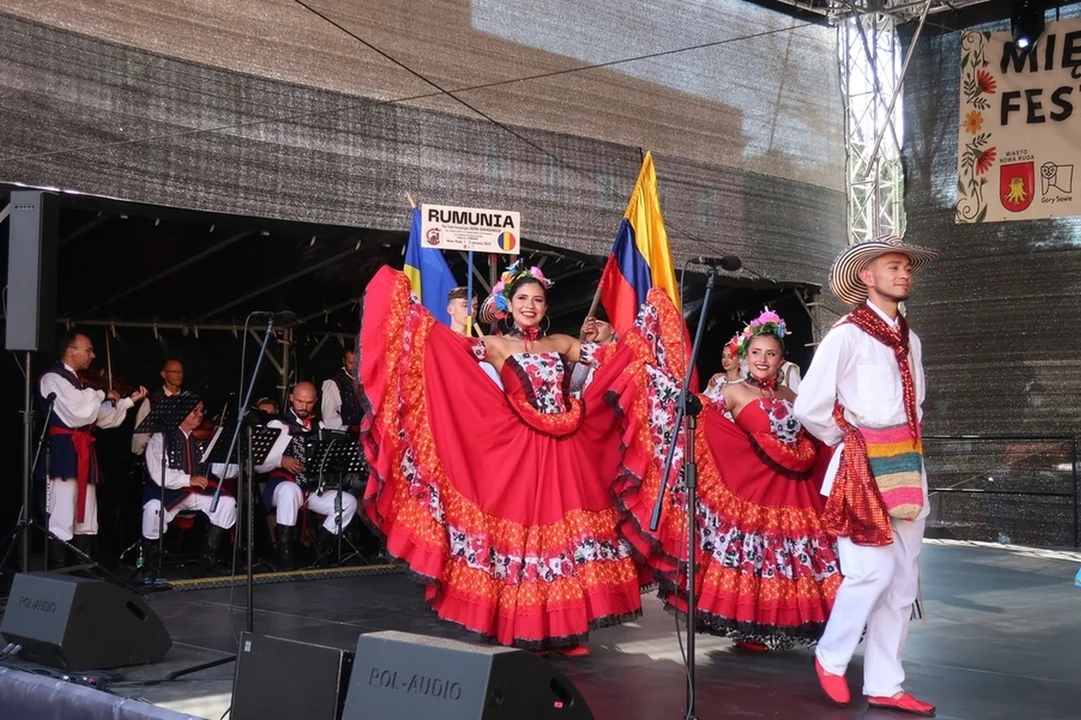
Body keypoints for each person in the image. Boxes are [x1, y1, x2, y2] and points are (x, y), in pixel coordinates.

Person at [357, 261, 681, 656]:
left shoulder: (561, 343)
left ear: (546, 307)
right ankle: (528, 628)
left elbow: (616, 358)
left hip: (569, 447)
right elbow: (441, 348)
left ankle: (569, 630)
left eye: (538, 299)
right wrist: (409, 312)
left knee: (569, 538)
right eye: (522, 298)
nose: (530, 305)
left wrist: (645, 326)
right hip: (520, 447)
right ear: (507, 305)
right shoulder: (493, 345)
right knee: (530, 534)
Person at [613, 308, 840, 652]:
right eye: (756, 353)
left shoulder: (792, 397)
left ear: (782, 359)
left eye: (771, 353)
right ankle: (750, 627)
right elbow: (699, 419)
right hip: (752, 488)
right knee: (756, 556)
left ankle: (790, 625)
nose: (763, 360)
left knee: (790, 560)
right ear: (745, 355)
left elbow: (818, 428)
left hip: (794, 491)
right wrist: (656, 378)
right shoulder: (732, 391)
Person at [793, 237, 938, 715]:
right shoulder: (847, 334)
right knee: (870, 574)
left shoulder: (910, 340)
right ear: (866, 277)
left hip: (906, 466)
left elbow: (915, 406)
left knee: (901, 584)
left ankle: (885, 683)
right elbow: (809, 405)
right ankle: (831, 658)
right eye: (893, 267)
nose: (904, 274)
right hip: (861, 468)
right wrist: (852, 440)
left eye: (907, 268)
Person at [39, 330, 147, 566]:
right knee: (63, 509)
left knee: (87, 510)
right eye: (87, 350)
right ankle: (59, 567)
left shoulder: (79, 383)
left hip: (83, 450)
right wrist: (99, 392)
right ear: (70, 351)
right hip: (64, 450)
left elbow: (99, 417)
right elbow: (80, 413)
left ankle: (82, 565)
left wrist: (129, 401)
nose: (93, 355)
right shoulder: (53, 378)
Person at [256, 382, 358, 570]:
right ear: (291, 399)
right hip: (281, 486)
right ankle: (285, 556)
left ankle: (315, 553)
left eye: (309, 403)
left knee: (348, 502)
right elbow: (257, 465)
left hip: (311, 488)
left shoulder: (318, 425)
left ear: (315, 402)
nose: (304, 407)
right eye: (300, 401)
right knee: (290, 489)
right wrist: (281, 461)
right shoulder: (279, 424)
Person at [141, 395, 238, 575]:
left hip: (197, 492)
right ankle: (151, 562)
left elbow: (223, 471)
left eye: (202, 411)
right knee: (153, 509)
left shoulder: (205, 439)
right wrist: (188, 480)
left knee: (227, 503)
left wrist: (230, 452)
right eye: (195, 411)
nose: (200, 415)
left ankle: (208, 558)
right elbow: (157, 473)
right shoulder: (162, 437)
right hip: (169, 491)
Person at [132, 359, 185, 455]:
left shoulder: (187, 398)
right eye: (174, 372)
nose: (179, 375)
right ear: (164, 374)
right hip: (158, 453)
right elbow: (140, 434)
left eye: (181, 372)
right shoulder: (153, 400)